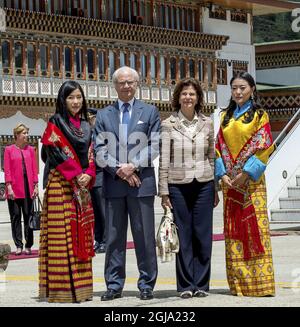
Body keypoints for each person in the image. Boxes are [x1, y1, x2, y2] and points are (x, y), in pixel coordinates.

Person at [94, 66, 160, 301]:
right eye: (121, 82)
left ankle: (146, 283)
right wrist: (119, 170)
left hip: (141, 183)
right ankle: (113, 284)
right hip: (113, 184)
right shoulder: (103, 115)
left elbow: (155, 144)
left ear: (137, 84)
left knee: (144, 237)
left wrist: (133, 166)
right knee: (113, 238)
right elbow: (100, 149)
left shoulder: (150, 112)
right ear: (114, 86)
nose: (126, 86)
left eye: (130, 82)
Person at [215, 72, 275, 297]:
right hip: (230, 183)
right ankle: (238, 285)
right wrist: (222, 174)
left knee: (255, 230)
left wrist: (247, 173)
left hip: (252, 184)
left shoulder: (260, 115)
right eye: (234, 88)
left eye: (242, 88)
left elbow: (265, 146)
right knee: (234, 232)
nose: (238, 92)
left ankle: (260, 285)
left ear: (252, 88)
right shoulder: (225, 117)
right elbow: (217, 148)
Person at [159, 78, 219, 299]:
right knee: (183, 235)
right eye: (184, 93)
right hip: (177, 185)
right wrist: (163, 191)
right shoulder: (168, 124)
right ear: (178, 97)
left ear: (198, 98)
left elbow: (212, 157)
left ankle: (201, 283)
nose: (188, 97)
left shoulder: (207, 123)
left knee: (203, 235)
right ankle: (185, 285)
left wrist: (215, 188)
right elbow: (164, 160)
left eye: (192, 94)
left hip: (204, 183)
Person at [39, 80, 96, 303]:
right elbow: (53, 153)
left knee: (80, 234)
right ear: (63, 100)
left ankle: (81, 290)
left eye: (78, 97)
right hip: (60, 185)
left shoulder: (87, 126)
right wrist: (75, 176)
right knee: (61, 237)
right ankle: (61, 291)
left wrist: (89, 174)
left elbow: (92, 153)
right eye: (70, 97)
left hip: (81, 185)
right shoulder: (56, 122)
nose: (75, 102)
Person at [4, 123, 39, 256]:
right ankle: (18, 245)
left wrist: (35, 185)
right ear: (17, 135)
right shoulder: (8, 150)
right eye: (24, 133)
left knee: (28, 216)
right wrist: (9, 187)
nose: (26, 135)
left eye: (27, 133)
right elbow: (7, 169)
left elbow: (34, 169)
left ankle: (28, 245)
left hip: (28, 187)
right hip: (13, 188)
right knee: (15, 217)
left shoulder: (30, 149)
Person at [87, 108, 106, 254]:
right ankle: (98, 239)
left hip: (100, 176)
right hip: (91, 179)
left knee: (103, 211)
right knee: (95, 214)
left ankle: (105, 240)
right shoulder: (88, 136)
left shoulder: (102, 136)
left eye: (91, 118)